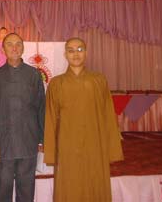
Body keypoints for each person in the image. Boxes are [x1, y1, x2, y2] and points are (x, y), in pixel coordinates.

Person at [44, 37, 123, 202]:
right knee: (69, 186)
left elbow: (108, 114)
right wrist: (51, 152)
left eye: (80, 49)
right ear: (65, 54)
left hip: (95, 143)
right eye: (71, 50)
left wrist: (112, 148)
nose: (76, 54)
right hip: (67, 146)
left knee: (96, 183)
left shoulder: (98, 80)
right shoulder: (56, 84)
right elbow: (50, 119)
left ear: (86, 53)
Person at [0, 33, 45, 202]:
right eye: (10, 44)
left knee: (26, 191)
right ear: (3, 50)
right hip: (3, 144)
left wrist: (42, 139)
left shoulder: (34, 75)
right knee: (1, 191)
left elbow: (41, 108)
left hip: (28, 141)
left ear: (23, 48)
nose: (14, 48)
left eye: (18, 44)